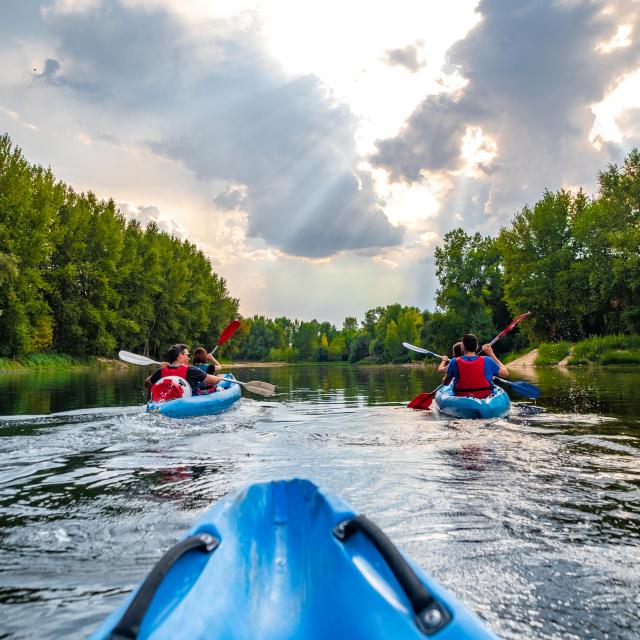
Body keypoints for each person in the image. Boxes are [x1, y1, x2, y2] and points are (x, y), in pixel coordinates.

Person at [144, 343, 225, 397]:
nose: (189, 357)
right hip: (190, 403)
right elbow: (214, 381)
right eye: (187, 355)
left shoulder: (161, 372)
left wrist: (161, 369)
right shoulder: (192, 370)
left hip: (169, 401)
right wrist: (220, 377)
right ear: (180, 356)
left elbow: (147, 383)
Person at [445, 334, 509, 398]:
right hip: (484, 398)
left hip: (461, 398)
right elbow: (505, 374)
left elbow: (446, 383)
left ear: (462, 347)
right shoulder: (487, 360)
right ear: (477, 347)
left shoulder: (454, 362)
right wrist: (491, 354)